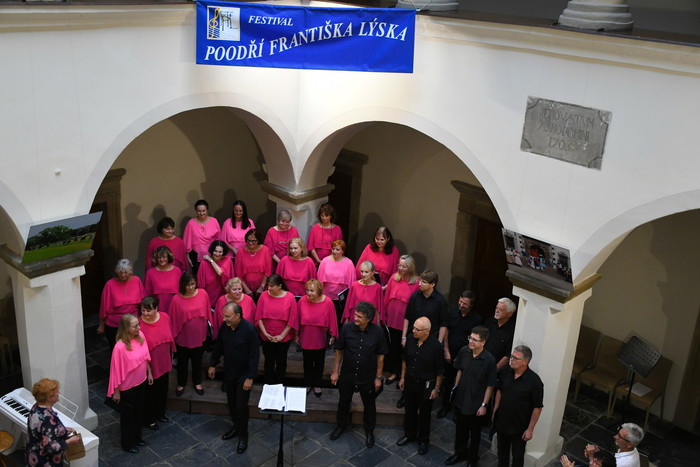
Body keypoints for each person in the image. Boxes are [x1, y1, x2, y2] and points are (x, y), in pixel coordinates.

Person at [330, 301, 388, 448]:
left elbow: (381, 356)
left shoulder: (378, 332)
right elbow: (339, 351)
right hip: (347, 374)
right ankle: (341, 426)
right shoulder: (347, 328)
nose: (355, 318)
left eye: (359, 317)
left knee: (369, 405)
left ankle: (369, 431)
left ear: (368, 319)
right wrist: (336, 371)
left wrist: (378, 377)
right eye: (355, 315)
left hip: (367, 376)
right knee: (344, 402)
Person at [208, 302, 260, 455]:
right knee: (231, 403)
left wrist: (250, 377)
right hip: (229, 372)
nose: (225, 319)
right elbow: (219, 346)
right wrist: (212, 364)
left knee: (241, 406)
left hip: (244, 374)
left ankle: (243, 435)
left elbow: (254, 355)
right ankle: (236, 427)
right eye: (224, 316)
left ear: (238, 316)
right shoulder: (225, 327)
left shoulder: (249, 330)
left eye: (228, 316)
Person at [445, 325, 497, 466]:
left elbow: (490, 385)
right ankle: (459, 453)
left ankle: (472, 458)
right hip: (462, 397)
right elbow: (459, 371)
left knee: (475, 433)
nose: (471, 341)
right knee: (460, 429)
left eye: (475, 339)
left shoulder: (489, 360)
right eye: (470, 338)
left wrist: (484, 405)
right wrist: (455, 389)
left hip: (476, 402)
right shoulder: (464, 351)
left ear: (483, 342)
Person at [396, 317, 444, 456]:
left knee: (424, 414)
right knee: (409, 411)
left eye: (418, 329)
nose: (414, 331)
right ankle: (409, 434)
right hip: (410, 381)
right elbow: (405, 360)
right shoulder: (410, 339)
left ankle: (423, 440)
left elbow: (440, 371)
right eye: (414, 327)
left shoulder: (435, 347)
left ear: (427, 331)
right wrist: (402, 377)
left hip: (425, 385)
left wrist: (436, 389)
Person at [107, 314, 152, 453]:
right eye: (135, 326)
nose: (139, 327)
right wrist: (116, 391)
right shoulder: (119, 347)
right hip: (127, 386)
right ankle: (128, 443)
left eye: (138, 324)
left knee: (139, 411)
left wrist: (149, 372)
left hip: (141, 380)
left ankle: (138, 438)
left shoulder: (141, 336)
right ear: (126, 328)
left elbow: (145, 357)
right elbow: (115, 370)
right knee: (128, 416)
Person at [493, 345, 544, 467]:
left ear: (525, 362)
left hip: (519, 427)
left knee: (517, 456)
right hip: (502, 421)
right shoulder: (506, 371)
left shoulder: (535, 382)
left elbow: (537, 407)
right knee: (502, 452)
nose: (512, 360)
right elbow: (499, 391)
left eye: (516, 358)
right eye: (512, 357)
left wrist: (530, 430)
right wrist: (495, 410)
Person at [438, 290, 483, 418]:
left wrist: (462, 356)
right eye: (460, 301)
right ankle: (445, 406)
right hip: (450, 353)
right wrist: (446, 350)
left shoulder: (477, 319)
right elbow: (446, 330)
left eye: (465, 303)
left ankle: (458, 410)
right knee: (448, 381)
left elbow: (474, 340)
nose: (461, 305)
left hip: (466, 356)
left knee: (462, 384)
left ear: (471, 305)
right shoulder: (452, 312)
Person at [169, 271, 210, 397]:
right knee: (182, 361)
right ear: (183, 285)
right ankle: (181, 383)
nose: (191, 287)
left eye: (193, 284)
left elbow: (207, 313)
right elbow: (173, 319)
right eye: (188, 285)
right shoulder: (176, 299)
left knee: (198, 360)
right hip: (183, 336)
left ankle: (197, 382)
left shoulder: (203, 294)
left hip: (199, 335)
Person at [138, 296, 175, 430]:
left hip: (163, 361)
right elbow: (140, 351)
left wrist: (172, 356)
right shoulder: (139, 325)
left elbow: (170, 337)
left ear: (156, 309)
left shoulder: (165, 317)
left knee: (162, 389)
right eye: (143, 311)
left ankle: (160, 413)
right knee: (150, 393)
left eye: (148, 310)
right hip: (150, 366)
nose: (145, 314)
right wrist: (148, 371)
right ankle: (150, 419)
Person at [26, 378, 82, 466]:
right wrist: (69, 441)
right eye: (56, 392)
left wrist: (61, 430)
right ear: (49, 398)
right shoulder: (48, 419)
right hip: (45, 461)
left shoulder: (36, 407)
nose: (59, 393)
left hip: (33, 454)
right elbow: (50, 448)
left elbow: (43, 431)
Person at [297, 279, 338, 397]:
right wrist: (296, 335)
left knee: (319, 362)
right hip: (306, 336)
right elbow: (297, 318)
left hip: (320, 337)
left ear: (319, 291)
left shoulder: (328, 302)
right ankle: (308, 383)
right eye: (307, 290)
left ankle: (317, 384)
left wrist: (333, 335)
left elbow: (333, 319)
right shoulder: (302, 300)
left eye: (312, 291)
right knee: (307, 362)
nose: (309, 293)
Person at [383, 254, 420, 385]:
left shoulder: (416, 283)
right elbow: (386, 298)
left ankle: (401, 374)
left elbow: (416, 306)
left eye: (404, 266)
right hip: (392, 318)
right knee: (392, 346)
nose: (401, 268)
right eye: (400, 265)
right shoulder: (394, 278)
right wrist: (384, 315)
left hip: (405, 322)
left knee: (403, 349)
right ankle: (392, 371)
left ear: (410, 267)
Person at [255, 274, 299, 384]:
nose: (268, 288)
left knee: (281, 361)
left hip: (283, 337)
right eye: (268, 285)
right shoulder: (263, 296)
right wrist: (265, 333)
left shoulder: (290, 297)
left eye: (271, 286)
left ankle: (280, 383)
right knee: (268, 361)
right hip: (267, 336)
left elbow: (292, 319)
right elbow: (259, 317)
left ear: (279, 286)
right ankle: (268, 383)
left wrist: (282, 336)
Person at [98, 259, 145, 347]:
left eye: (126, 272)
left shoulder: (136, 280)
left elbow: (143, 302)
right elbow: (104, 306)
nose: (123, 275)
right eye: (120, 272)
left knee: (134, 346)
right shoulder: (110, 284)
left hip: (133, 322)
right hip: (114, 324)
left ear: (130, 272)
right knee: (116, 348)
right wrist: (101, 325)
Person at [317, 239, 356, 325]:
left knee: (338, 321)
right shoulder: (325, 261)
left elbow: (351, 284)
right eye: (333, 249)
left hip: (340, 300)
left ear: (343, 251)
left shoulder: (349, 263)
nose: (334, 251)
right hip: (326, 297)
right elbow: (319, 281)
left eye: (337, 249)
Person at [183, 199, 220, 273]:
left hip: (212, 254)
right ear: (196, 211)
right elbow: (187, 241)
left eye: (204, 211)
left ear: (207, 210)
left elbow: (219, 239)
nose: (201, 213)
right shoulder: (191, 223)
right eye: (199, 211)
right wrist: (187, 256)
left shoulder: (214, 221)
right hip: (195, 256)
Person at [234, 228, 273, 296]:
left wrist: (262, 286)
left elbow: (268, 270)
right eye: (248, 240)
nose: (250, 243)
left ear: (258, 240)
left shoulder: (265, 250)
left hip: (262, 287)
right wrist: (246, 289)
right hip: (245, 288)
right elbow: (238, 273)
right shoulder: (240, 252)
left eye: (253, 241)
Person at [144, 246, 182, 315]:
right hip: (158, 310)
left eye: (164, 257)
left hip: (175, 308)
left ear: (168, 257)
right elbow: (147, 294)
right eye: (159, 257)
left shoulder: (177, 271)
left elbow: (182, 292)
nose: (161, 259)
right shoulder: (150, 273)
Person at [198, 240, 234, 305]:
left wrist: (211, 260)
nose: (217, 254)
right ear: (212, 250)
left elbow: (220, 272)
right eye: (215, 251)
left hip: (223, 296)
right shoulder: (204, 263)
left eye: (220, 252)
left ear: (223, 252)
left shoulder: (227, 260)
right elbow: (200, 284)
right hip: (208, 297)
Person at [485, 298, 517, 371]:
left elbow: (507, 356)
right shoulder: (489, 322)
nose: (497, 311)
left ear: (510, 314)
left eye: (501, 310)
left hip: (495, 369)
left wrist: (493, 371)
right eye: (497, 308)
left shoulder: (512, 331)